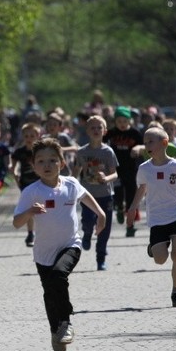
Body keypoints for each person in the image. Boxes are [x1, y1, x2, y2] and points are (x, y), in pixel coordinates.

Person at [13, 138, 106, 351]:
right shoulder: (31, 191)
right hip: (43, 252)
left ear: (62, 163)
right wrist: (29, 213)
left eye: (53, 161)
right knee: (49, 293)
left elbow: (85, 196)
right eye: (41, 161)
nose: (47, 165)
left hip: (70, 245)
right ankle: (56, 329)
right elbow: (17, 222)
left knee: (58, 276)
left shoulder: (71, 184)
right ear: (34, 166)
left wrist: (100, 214)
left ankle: (66, 321)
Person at [126, 127, 176, 308]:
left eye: (151, 141)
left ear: (164, 143)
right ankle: (154, 248)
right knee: (160, 259)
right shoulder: (144, 168)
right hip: (157, 217)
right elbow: (141, 189)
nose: (147, 145)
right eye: (145, 141)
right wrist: (133, 208)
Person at [72, 115, 118, 271]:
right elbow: (76, 171)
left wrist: (106, 178)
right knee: (88, 220)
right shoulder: (81, 152)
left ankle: (101, 259)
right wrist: (70, 185)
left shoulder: (108, 152)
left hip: (106, 195)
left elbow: (115, 174)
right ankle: (86, 233)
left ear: (105, 131)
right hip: (87, 195)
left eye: (99, 127)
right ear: (87, 131)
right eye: (93, 127)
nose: (96, 130)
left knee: (104, 228)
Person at [105, 106, 143, 236]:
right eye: (119, 121)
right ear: (115, 121)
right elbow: (102, 144)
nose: (122, 124)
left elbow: (144, 145)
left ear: (129, 121)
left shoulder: (135, 133)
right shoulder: (111, 133)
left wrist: (138, 147)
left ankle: (130, 225)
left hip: (131, 169)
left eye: (124, 121)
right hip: (115, 169)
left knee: (132, 197)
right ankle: (119, 209)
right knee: (118, 193)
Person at [10, 122, 42, 247]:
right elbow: (13, 166)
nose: (29, 139)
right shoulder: (19, 152)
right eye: (26, 136)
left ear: (38, 136)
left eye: (32, 136)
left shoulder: (40, 151)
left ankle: (43, 231)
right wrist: (16, 175)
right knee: (31, 208)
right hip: (26, 183)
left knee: (43, 207)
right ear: (23, 137)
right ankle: (30, 233)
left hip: (40, 182)